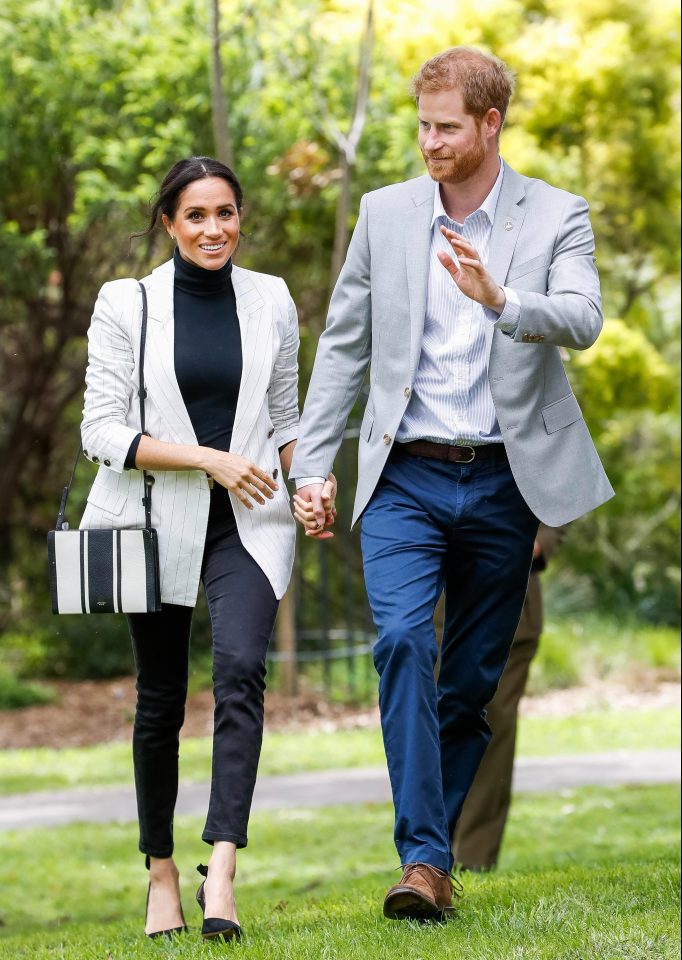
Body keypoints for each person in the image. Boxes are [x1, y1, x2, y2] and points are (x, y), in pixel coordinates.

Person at [291, 46, 613, 922]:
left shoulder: (556, 214)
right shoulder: (386, 214)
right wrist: (312, 463)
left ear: (489, 124)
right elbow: (346, 346)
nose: (428, 141)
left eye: (445, 127)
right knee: (401, 643)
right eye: (421, 125)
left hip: (507, 480)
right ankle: (424, 861)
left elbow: (582, 318)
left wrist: (501, 296)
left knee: (470, 684)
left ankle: (429, 861)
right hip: (405, 476)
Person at [80, 156, 334, 942]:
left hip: (248, 524)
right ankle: (160, 871)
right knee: (159, 702)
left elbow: (288, 419)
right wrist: (209, 459)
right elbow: (102, 431)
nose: (214, 229)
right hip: (156, 523)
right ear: (169, 223)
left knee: (239, 674)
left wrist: (310, 481)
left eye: (225, 213)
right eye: (196, 215)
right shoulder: (129, 303)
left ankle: (221, 868)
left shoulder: (272, 299)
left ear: (240, 216)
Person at [451, 523, 567, 871]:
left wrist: (539, 540)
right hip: (438, 604)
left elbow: (568, 475)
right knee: (437, 726)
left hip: (513, 601)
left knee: (493, 732)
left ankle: (473, 862)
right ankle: (426, 858)